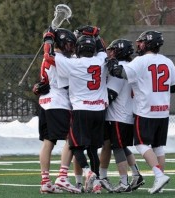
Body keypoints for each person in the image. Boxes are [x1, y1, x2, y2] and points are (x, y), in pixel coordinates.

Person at [106, 30, 175, 194]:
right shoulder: (167, 61)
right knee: (158, 146)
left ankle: (158, 175)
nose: (138, 45)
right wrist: (160, 93)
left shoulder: (141, 61)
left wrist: (112, 62)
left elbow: (120, 73)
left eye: (141, 42)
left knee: (141, 144)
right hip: (163, 110)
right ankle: (159, 181)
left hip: (145, 110)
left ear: (148, 43)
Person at [54, 28, 108, 194]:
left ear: (78, 49)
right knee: (93, 148)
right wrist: (96, 35)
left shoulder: (73, 63)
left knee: (75, 145)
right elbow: (103, 49)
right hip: (99, 109)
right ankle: (97, 183)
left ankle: (87, 171)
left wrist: (49, 39)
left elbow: (50, 56)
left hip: (82, 109)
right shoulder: (101, 59)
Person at [33, 27, 81, 194]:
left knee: (48, 142)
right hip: (59, 103)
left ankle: (45, 181)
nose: (71, 48)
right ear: (61, 43)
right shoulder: (61, 59)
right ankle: (62, 176)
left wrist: (48, 40)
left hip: (45, 102)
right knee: (72, 139)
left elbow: (43, 81)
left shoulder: (51, 58)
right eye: (69, 44)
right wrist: (48, 41)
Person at [103, 39, 145, 193]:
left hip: (118, 115)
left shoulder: (119, 70)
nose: (110, 53)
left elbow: (110, 94)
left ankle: (123, 181)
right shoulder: (130, 67)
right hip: (128, 113)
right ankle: (136, 174)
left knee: (118, 147)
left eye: (113, 50)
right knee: (122, 146)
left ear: (119, 51)